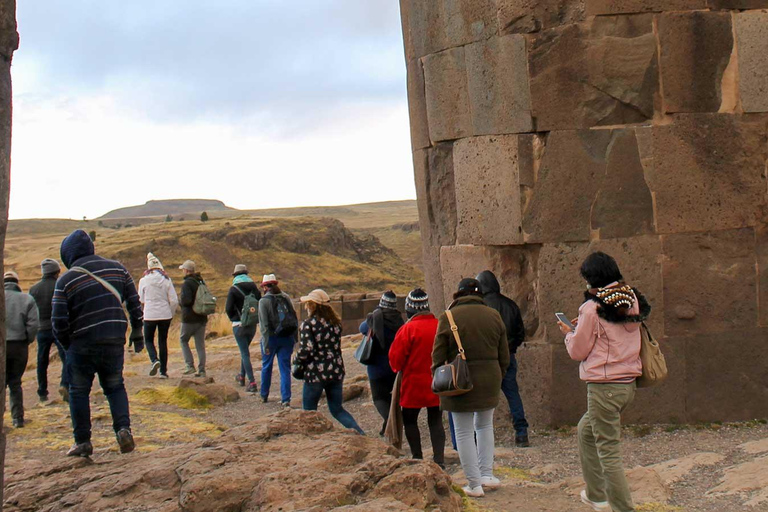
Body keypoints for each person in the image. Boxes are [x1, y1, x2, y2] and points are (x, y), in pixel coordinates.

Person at [558, 252, 650, 512]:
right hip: (627, 383)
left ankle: (621, 507)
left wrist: (569, 333)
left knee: (608, 450)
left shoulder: (591, 308)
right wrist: (585, 326)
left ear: (592, 278)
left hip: (604, 386)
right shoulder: (630, 298)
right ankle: (596, 493)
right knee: (585, 430)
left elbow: (578, 350)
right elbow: (613, 328)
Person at [52, 229, 144, 457]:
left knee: (79, 391)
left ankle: (83, 441)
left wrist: (67, 346)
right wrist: (137, 332)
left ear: (68, 254)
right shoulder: (118, 268)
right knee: (115, 386)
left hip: (81, 343)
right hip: (113, 338)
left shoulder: (65, 280)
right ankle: (123, 430)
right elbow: (134, 303)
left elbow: (58, 321)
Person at [432, 278, 509, 498]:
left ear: (458, 295)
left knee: (464, 431)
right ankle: (486, 474)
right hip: (490, 377)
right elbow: (504, 355)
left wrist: (439, 377)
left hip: (459, 380)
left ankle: (474, 484)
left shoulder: (448, 317)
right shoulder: (494, 315)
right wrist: (498, 376)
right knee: (485, 426)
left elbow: (437, 355)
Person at [295, 289, 364, 434]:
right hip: (336, 371)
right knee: (337, 410)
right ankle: (360, 434)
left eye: (308, 304)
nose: (306, 306)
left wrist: (296, 360)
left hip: (315, 374)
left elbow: (307, 349)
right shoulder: (335, 324)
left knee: (308, 412)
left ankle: (311, 441)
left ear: (313, 306)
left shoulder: (308, 324)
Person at [389, 288, 445, 466]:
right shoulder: (439, 325)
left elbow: (396, 360)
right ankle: (439, 460)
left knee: (410, 421)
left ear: (409, 309)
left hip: (413, 383)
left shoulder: (407, 329)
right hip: (437, 380)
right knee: (435, 421)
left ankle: (417, 456)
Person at [476, 270, 529, 447]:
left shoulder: (479, 307)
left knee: (482, 398)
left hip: (486, 360)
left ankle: (480, 435)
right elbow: (521, 333)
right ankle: (522, 433)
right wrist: (510, 348)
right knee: (513, 394)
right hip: (508, 357)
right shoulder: (511, 305)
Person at [359, 290, 404, 436]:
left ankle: (389, 421)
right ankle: (389, 424)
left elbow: (362, 328)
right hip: (393, 366)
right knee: (391, 398)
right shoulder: (399, 320)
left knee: (379, 398)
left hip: (376, 367)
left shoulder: (374, 319)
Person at [30, 258, 69, 402]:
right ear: (56, 271)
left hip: (41, 329)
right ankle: (65, 384)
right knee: (66, 357)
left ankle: (42, 392)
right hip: (58, 327)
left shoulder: (34, 289)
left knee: (42, 361)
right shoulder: (60, 285)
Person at [4, 271, 40, 428]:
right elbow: (33, 325)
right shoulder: (27, 299)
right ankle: (17, 418)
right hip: (19, 345)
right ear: (17, 283)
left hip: (1, 345)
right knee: (15, 383)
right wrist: (27, 339)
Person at [258, 274, 297, 406]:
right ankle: (286, 399)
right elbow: (293, 318)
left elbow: (264, 325)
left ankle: (264, 395)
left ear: (264, 287)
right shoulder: (285, 297)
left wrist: (265, 343)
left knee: (267, 366)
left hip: (271, 337)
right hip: (287, 337)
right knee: (285, 368)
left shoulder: (263, 301)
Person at [138, 253, 178, 379]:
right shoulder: (166, 279)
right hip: (164, 314)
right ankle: (163, 372)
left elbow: (141, 299)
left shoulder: (144, 280)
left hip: (150, 314)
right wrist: (170, 313)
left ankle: (154, 359)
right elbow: (174, 300)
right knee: (163, 342)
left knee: (148, 339)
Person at [225, 264, 261, 393]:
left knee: (244, 353)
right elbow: (259, 302)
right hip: (252, 325)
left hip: (238, 325)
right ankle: (241, 376)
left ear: (235, 275)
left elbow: (228, 308)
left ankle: (252, 382)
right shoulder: (254, 288)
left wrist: (235, 318)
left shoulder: (233, 289)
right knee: (244, 351)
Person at [178, 260, 208, 378]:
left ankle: (190, 365)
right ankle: (202, 370)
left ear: (186, 270)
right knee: (200, 345)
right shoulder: (201, 281)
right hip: (202, 318)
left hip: (189, 318)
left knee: (183, 340)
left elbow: (186, 301)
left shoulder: (187, 283)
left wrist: (180, 302)